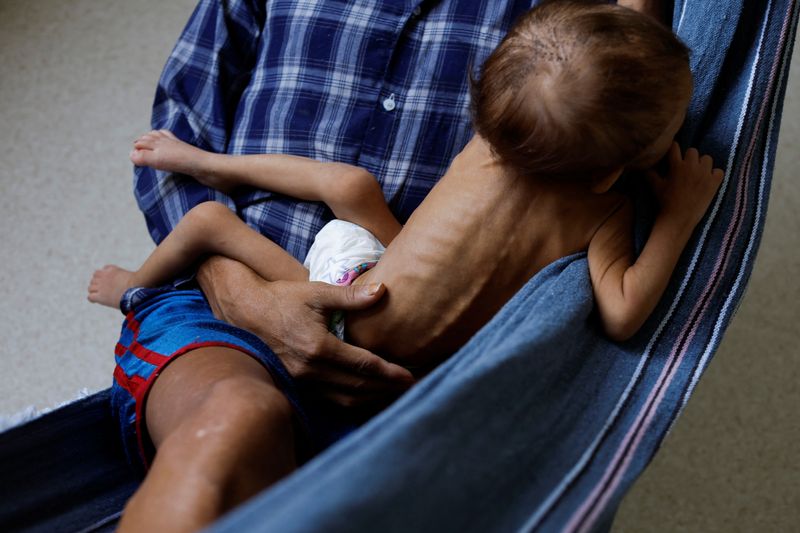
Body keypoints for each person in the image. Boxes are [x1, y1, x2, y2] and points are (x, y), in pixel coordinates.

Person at [105, 1, 721, 531]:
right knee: (237, 417)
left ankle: (176, 238)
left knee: (351, 193)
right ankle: (152, 273)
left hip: (373, 329)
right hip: (315, 313)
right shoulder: (605, 207)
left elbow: (621, 48)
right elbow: (625, 311)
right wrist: (678, 214)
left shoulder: (495, 140)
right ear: (620, 168)